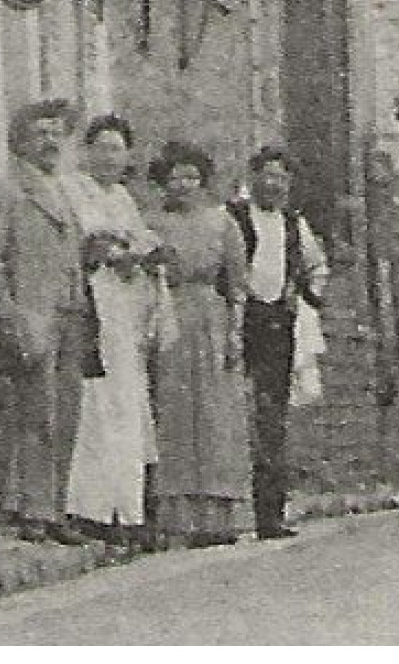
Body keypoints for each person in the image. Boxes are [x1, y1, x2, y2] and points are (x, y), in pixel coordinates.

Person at [0, 100, 93, 546]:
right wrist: (10, 317)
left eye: (56, 134)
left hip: (69, 316)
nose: (49, 142)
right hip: (33, 317)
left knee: (65, 417)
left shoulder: (63, 192)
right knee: (35, 416)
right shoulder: (7, 191)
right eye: (40, 133)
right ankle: (32, 510)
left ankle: (55, 507)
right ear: (19, 141)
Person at [58, 115, 165, 546]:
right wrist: (104, 252)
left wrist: (143, 255)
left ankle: (126, 509)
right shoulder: (72, 190)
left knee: (126, 403)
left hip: (124, 311)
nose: (108, 156)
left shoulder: (123, 197)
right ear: (86, 152)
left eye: (117, 149)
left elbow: (139, 241)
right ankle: (90, 508)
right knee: (94, 405)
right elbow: (79, 245)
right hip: (92, 304)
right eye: (100, 147)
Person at [145, 142, 254, 548]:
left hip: (211, 314)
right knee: (173, 410)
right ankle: (178, 515)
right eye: (175, 177)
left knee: (214, 411)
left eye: (191, 177)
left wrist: (234, 332)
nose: (184, 185)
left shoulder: (222, 222)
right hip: (169, 312)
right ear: (164, 181)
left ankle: (219, 513)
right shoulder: (152, 223)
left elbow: (238, 282)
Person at [229, 147, 329, 539]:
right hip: (240, 317)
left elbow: (316, 266)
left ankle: (269, 513)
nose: (272, 184)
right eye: (266, 175)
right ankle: (233, 510)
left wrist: (303, 293)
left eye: (281, 178)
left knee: (272, 416)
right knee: (236, 410)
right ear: (252, 177)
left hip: (277, 323)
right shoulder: (234, 217)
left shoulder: (293, 223)